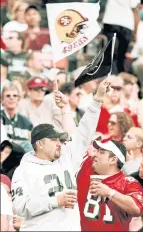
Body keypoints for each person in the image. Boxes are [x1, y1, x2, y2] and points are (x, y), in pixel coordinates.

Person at [11, 79, 111, 231]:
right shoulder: (24, 170)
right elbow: (20, 206)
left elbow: (83, 132)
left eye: (59, 139)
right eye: (53, 139)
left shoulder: (66, 158)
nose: (59, 143)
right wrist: (55, 201)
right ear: (40, 144)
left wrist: (97, 100)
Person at [77, 140, 143, 231]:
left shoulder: (129, 182)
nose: (95, 154)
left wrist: (110, 193)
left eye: (101, 152)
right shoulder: (86, 172)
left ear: (113, 160)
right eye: (96, 151)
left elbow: (137, 209)